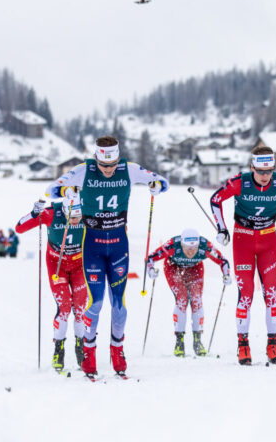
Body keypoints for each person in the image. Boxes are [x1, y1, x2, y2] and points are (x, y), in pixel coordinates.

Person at [46, 135, 169, 378]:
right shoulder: (84, 170)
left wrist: (156, 185)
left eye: (112, 165)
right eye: (104, 166)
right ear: (96, 159)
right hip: (91, 246)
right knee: (96, 303)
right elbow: (51, 189)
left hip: (118, 247)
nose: (109, 171)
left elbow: (162, 181)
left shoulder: (128, 169)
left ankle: (117, 349)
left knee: (119, 305)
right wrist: (65, 189)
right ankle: (89, 351)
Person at [210, 145, 276, 365]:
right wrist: (222, 228)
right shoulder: (240, 182)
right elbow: (215, 200)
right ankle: (243, 346)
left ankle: (273, 345)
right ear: (252, 167)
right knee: (246, 294)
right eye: (260, 171)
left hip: (269, 241)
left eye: (269, 171)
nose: (264, 176)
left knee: (271, 294)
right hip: (243, 240)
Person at [15, 198, 87, 371]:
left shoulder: (88, 211)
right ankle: (58, 349)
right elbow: (19, 228)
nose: (76, 220)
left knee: (80, 308)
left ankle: (81, 347)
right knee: (64, 308)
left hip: (79, 265)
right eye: (72, 217)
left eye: (79, 216)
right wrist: (34, 213)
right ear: (64, 211)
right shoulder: (51, 213)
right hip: (57, 265)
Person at [146, 228, 232, 357]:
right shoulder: (172, 245)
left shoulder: (205, 246)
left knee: (196, 300)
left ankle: (197, 340)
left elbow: (223, 261)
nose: (191, 251)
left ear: (198, 244)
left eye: (194, 248)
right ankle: (179, 341)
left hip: (195, 268)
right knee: (182, 298)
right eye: (187, 248)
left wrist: (226, 275)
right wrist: (151, 270)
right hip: (173, 266)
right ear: (181, 244)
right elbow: (151, 257)